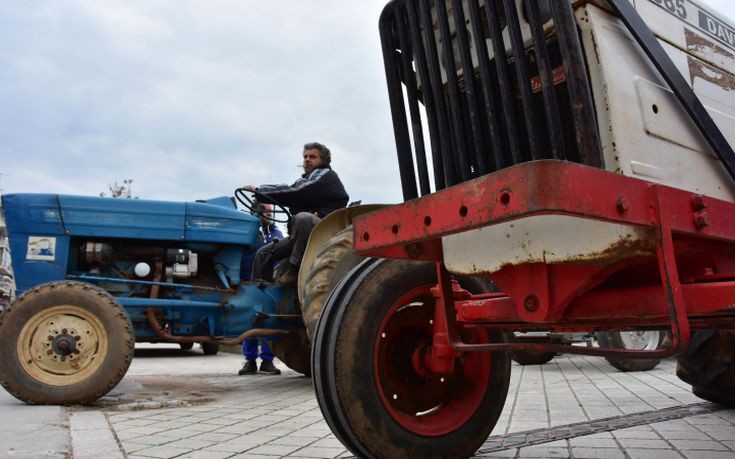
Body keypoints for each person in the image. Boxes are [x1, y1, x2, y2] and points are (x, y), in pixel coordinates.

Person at [245, 142, 349, 285]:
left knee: (302, 218)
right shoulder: (307, 179)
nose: (307, 159)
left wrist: (260, 191)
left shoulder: (326, 175)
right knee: (263, 254)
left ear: (323, 161)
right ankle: (259, 291)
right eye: (305, 156)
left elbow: (297, 192)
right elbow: (290, 188)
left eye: (312, 157)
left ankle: (295, 268)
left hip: (325, 230)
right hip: (304, 234)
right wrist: (259, 190)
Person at [239, 203, 284, 375]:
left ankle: (267, 361)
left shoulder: (277, 234)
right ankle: (249, 361)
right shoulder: (247, 233)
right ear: (256, 212)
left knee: (269, 320)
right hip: (248, 282)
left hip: (269, 285)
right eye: (266, 212)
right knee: (248, 321)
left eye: (271, 212)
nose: (269, 215)